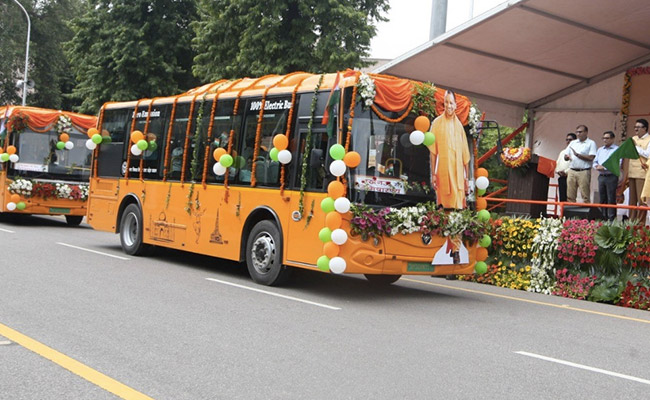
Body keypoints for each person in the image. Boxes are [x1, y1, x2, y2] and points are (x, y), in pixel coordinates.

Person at [428, 90, 470, 210]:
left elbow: (465, 155)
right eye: (446, 102)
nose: (449, 106)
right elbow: (433, 152)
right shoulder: (437, 123)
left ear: (455, 105)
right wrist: (433, 174)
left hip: (458, 175)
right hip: (443, 173)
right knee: (445, 208)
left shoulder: (459, 126)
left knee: (458, 208)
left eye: (451, 103)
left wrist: (467, 178)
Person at [624, 119, 650, 223]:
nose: (636, 129)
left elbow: (648, 154)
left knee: (641, 200)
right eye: (635, 127)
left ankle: (640, 224)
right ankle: (631, 223)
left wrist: (635, 148)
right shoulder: (633, 139)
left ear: (645, 128)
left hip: (642, 174)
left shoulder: (649, 139)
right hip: (632, 172)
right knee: (632, 200)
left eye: (638, 127)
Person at [564, 125, 597, 203]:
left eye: (580, 132)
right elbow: (566, 155)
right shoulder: (573, 143)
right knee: (570, 194)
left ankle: (586, 210)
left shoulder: (591, 143)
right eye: (577, 132)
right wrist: (566, 157)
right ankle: (571, 210)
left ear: (586, 132)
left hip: (584, 171)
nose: (578, 134)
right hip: (572, 170)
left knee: (585, 194)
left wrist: (578, 155)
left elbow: (591, 157)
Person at [593, 131, 619, 221]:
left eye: (607, 138)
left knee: (611, 198)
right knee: (602, 198)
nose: (605, 140)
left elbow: (618, 163)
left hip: (611, 176)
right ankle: (603, 218)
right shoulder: (600, 150)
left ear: (612, 139)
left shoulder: (616, 150)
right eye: (603, 138)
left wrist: (604, 167)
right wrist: (596, 166)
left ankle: (611, 219)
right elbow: (595, 161)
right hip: (601, 176)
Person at [555, 132, 577, 202]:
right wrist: (558, 171)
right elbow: (557, 164)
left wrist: (566, 172)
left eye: (570, 140)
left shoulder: (577, 152)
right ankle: (562, 209)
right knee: (562, 198)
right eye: (567, 140)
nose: (568, 141)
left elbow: (576, 165)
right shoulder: (563, 152)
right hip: (562, 177)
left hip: (571, 177)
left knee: (570, 198)